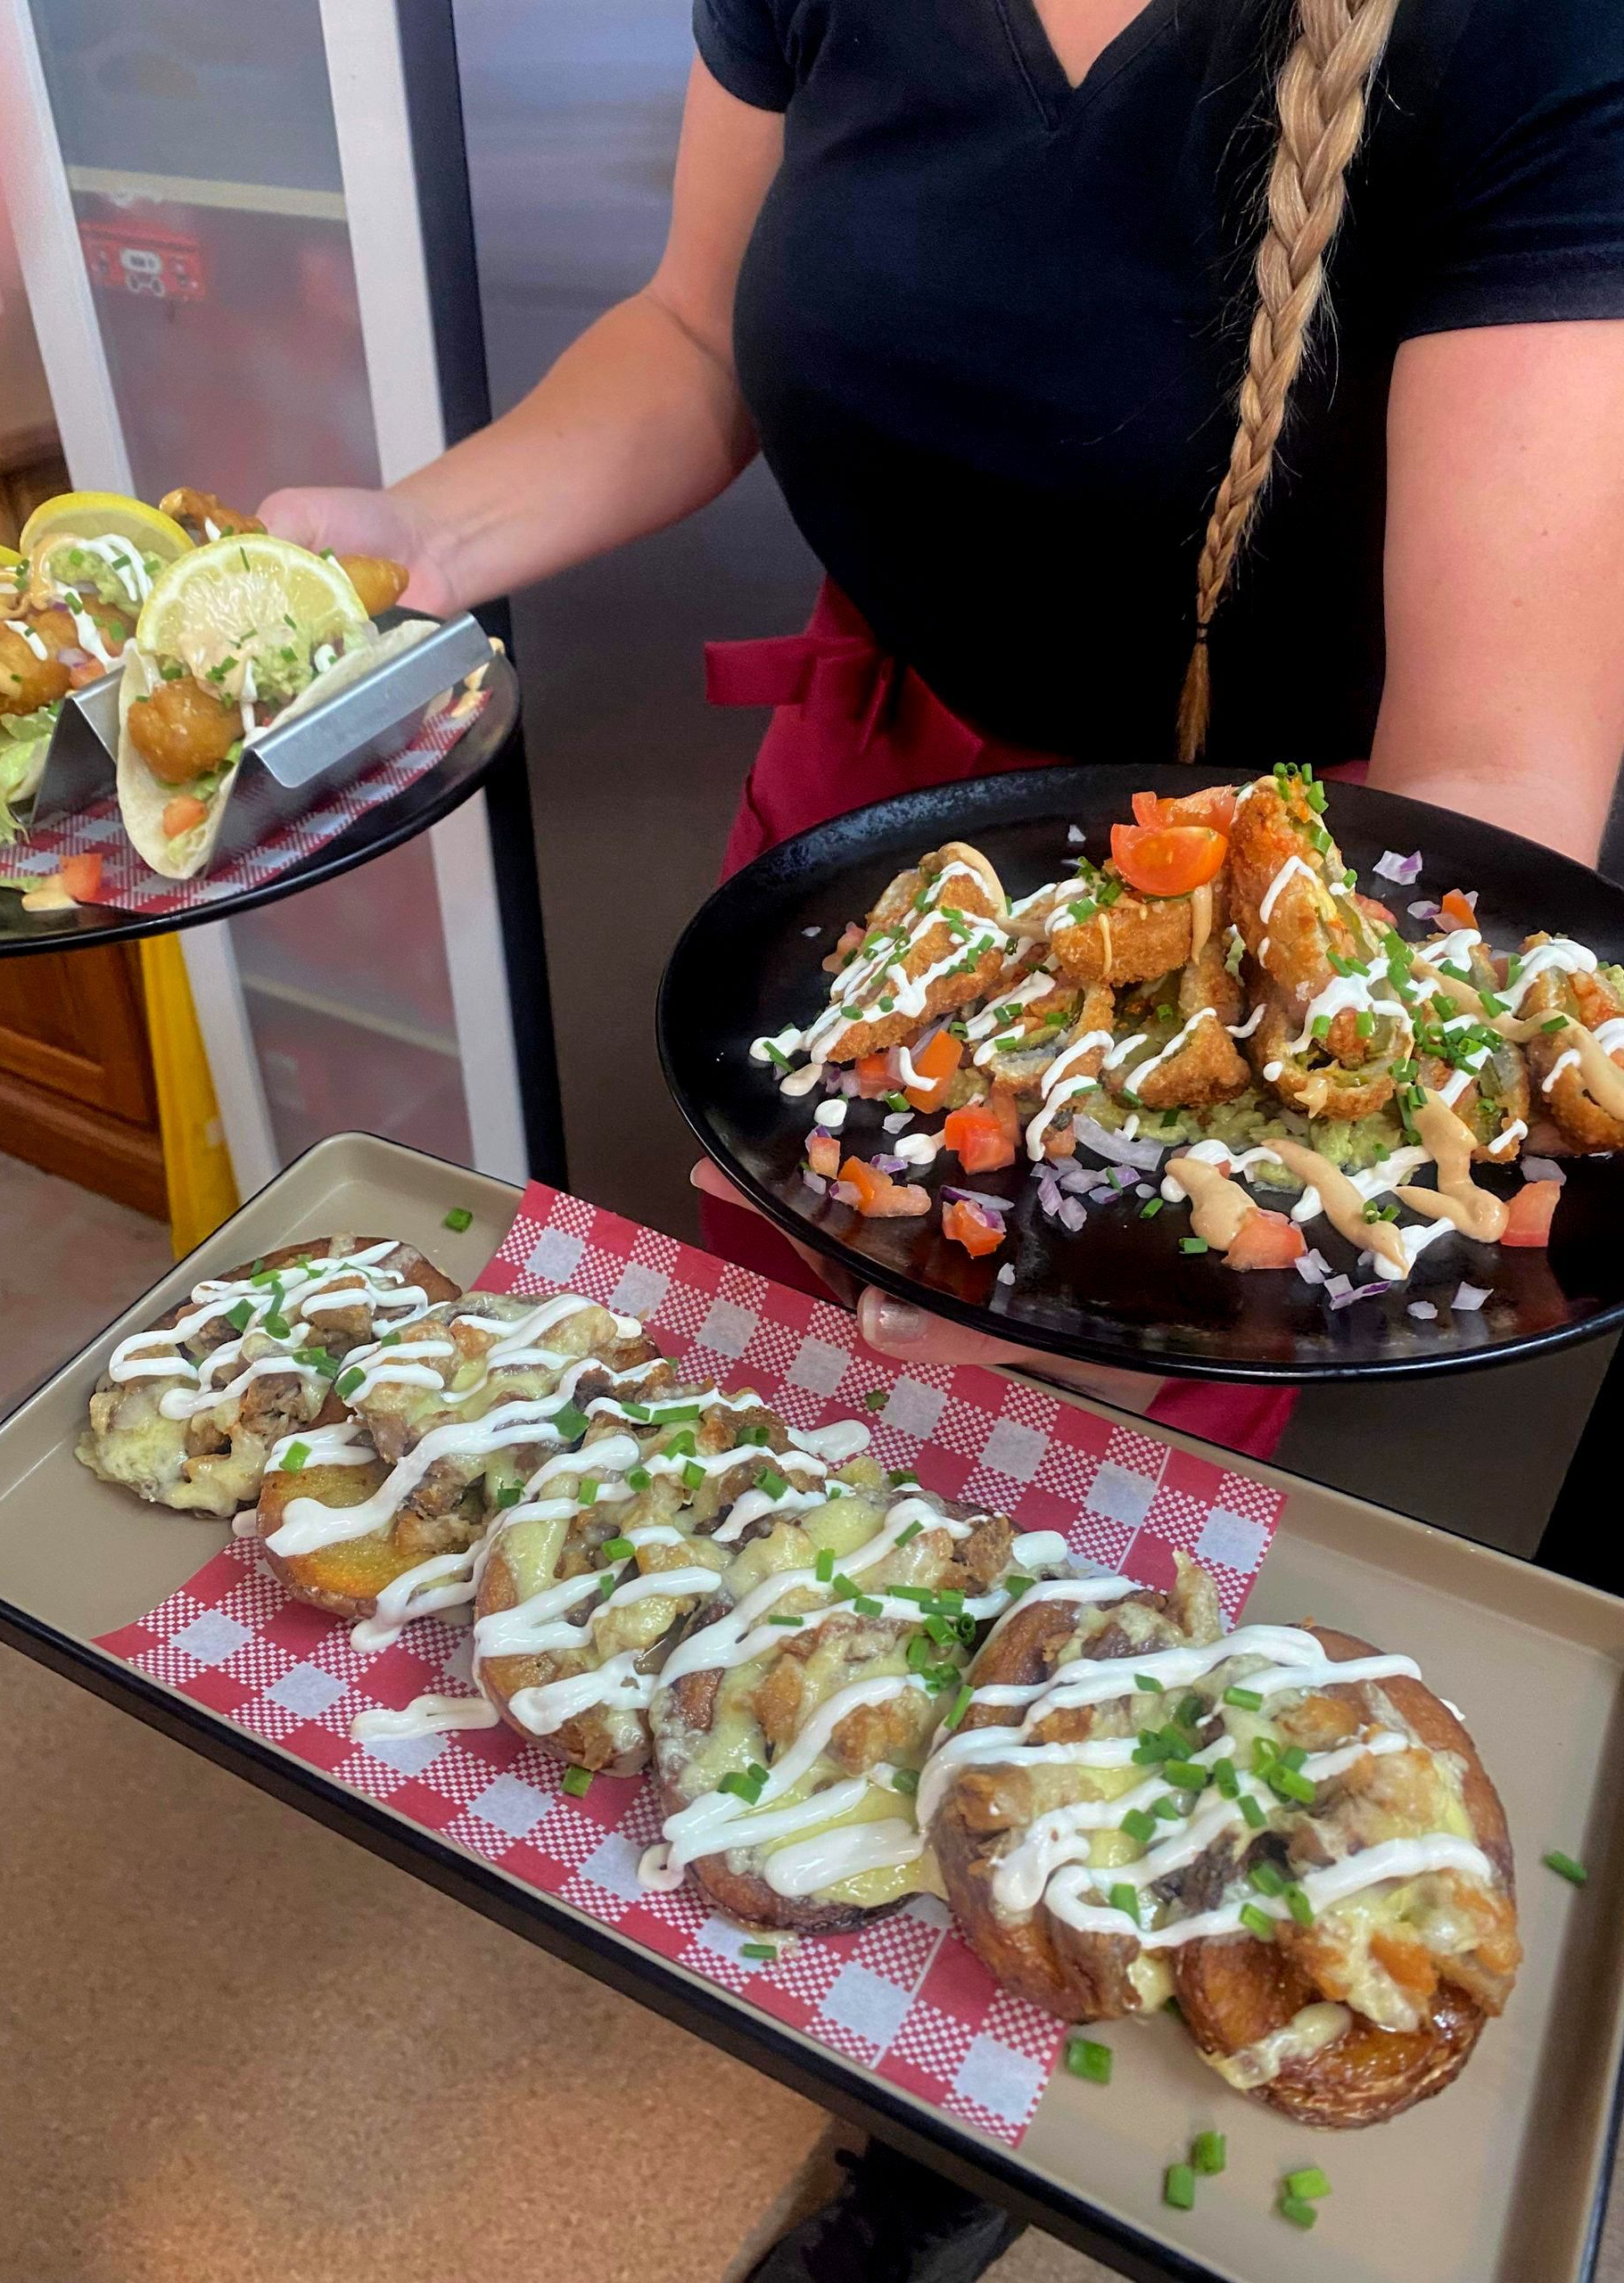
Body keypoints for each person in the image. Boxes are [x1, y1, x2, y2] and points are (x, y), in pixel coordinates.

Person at [265, 1, 1624, 2268]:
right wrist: (406, 534)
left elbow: (1487, 763)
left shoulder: (1529, 36)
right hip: (872, 904)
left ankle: (949, 2131)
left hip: (1248, 1053)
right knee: (795, 1469)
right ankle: (777, 1824)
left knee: (1075, 1552)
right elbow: (697, 330)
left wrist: (1155, 1232)